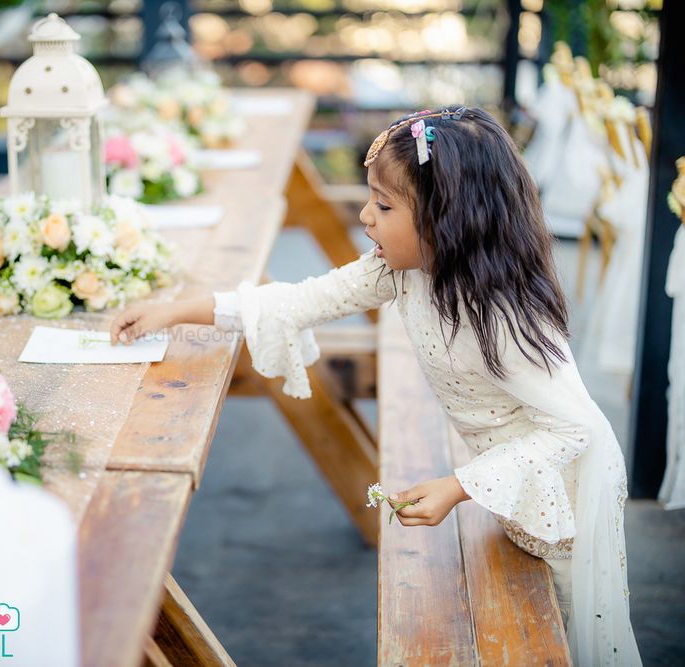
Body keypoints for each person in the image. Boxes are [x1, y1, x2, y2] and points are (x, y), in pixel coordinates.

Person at [110, 106, 641, 666]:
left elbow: (576, 428)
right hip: (508, 488)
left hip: (561, 508)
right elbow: (301, 300)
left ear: (448, 217)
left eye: (384, 205)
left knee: (570, 635)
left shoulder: (504, 315)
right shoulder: (400, 268)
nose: (365, 216)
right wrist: (177, 311)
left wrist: (459, 485)